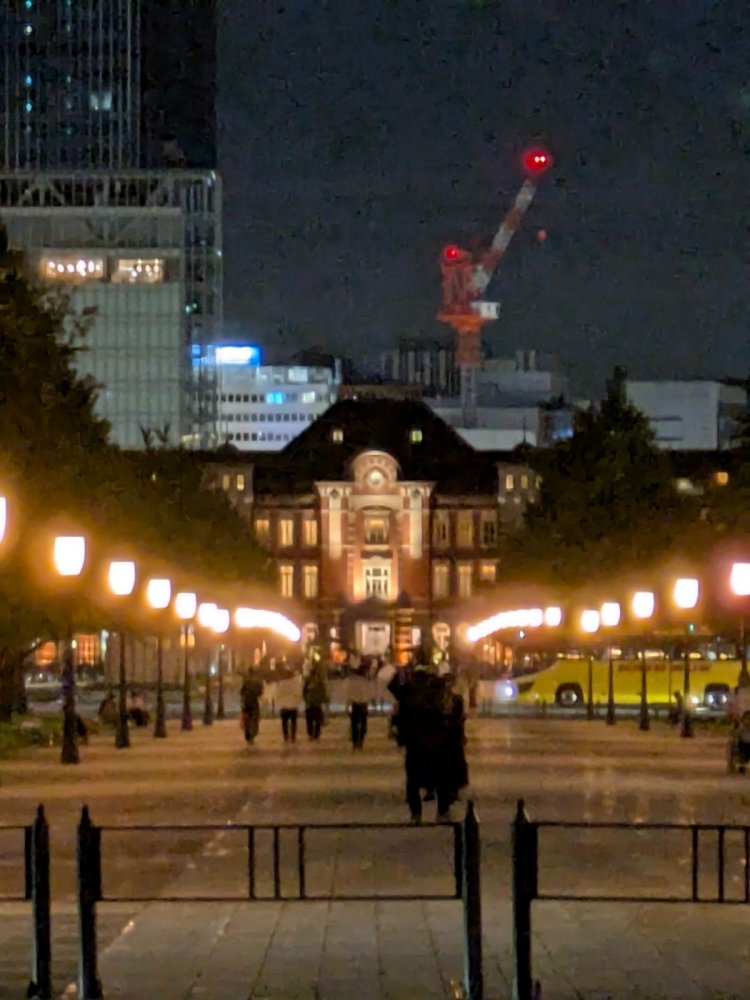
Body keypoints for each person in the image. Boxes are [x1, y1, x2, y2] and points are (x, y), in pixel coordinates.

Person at [346, 662, 373, 749]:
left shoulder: (357, 681)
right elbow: (368, 693)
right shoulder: (362, 682)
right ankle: (359, 741)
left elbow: (349, 694)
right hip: (361, 704)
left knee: (355, 724)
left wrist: (347, 705)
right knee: (361, 724)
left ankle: (356, 742)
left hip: (358, 704)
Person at [276, 665, 303, 744]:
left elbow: (278, 694)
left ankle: (286, 736)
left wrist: (280, 702)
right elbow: (299, 694)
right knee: (293, 722)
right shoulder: (295, 684)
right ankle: (293, 736)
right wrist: (297, 701)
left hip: (284, 705)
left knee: (284, 722)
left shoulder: (281, 684)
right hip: (293, 705)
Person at [303, 662, 328, 740]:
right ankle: (316, 734)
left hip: (310, 703)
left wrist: (305, 699)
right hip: (317, 703)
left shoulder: (308, 680)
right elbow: (323, 691)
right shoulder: (320, 681)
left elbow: (304, 691)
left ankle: (311, 734)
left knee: (309, 720)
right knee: (317, 720)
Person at [240, 670, 264, 744]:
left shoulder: (246, 683)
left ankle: (248, 734)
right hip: (254, 703)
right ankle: (253, 733)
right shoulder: (257, 683)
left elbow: (241, 692)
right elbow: (260, 693)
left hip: (246, 703)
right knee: (255, 719)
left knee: (247, 720)